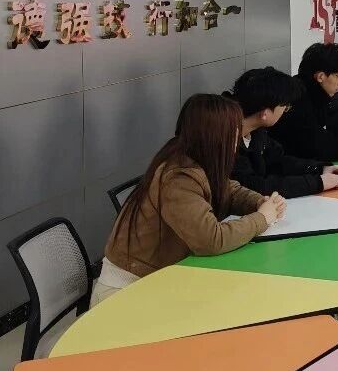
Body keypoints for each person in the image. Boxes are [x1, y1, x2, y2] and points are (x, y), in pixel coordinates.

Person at [93, 94, 284, 305]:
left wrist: (259, 202)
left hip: (160, 279)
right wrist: (261, 219)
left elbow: (228, 190)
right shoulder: (179, 177)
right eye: (234, 131)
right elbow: (211, 240)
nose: (238, 138)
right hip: (126, 292)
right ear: (215, 135)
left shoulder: (198, 159)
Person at [228, 66, 338, 198]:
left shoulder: (257, 131)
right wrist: (318, 182)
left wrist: (320, 168)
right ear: (265, 113)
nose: (285, 111)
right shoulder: (227, 141)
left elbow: (278, 161)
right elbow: (256, 186)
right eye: (284, 107)